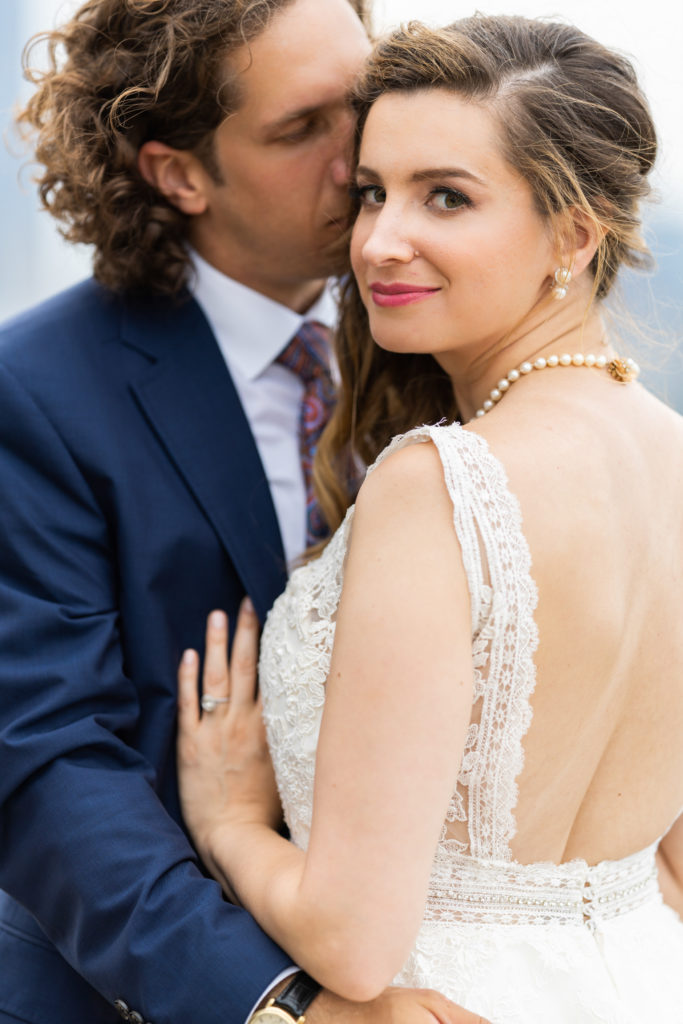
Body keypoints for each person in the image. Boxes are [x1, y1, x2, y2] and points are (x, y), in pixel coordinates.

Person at [175, 14, 683, 1023]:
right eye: (370, 192)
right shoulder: (669, 453)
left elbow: (356, 943)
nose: (377, 241)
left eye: (444, 196)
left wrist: (229, 821)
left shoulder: (440, 484)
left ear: (574, 234)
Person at [0, 1, 483, 1022]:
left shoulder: (450, 329)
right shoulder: (35, 392)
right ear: (179, 172)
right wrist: (279, 1004)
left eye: (367, 98)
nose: (363, 154)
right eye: (302, 127)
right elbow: (48, 758)